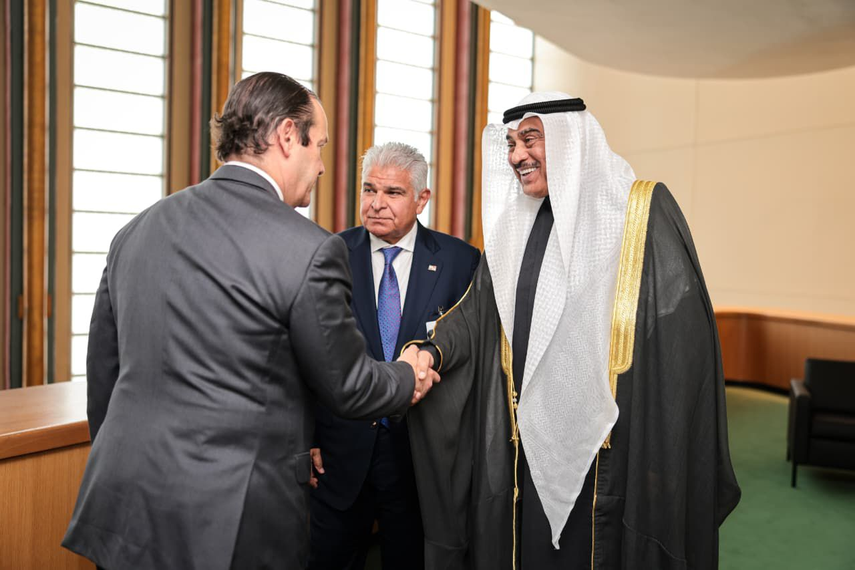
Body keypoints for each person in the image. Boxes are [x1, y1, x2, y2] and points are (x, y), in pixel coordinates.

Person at [61, 72, 437, 570]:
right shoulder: (308, 249)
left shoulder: (137, 229)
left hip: (124, 505)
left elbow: (104, 379)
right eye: (319, 146)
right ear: (288, 136)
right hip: (229, 520)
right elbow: (348, 384)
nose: (322, 166)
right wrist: (408, 373)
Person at [406, 92, 742, 569]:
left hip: (607, 448)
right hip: (526, 439)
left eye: (531, 139)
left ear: (571, 141)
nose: (516, 155)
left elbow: (680, 333)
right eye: (511, 143)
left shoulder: (638, 211)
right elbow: (478, 314)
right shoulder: (516, 227)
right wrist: (430, 352)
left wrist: (661, 443)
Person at [309, 142, 481, 570]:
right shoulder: (329, 254)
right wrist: (306, 437)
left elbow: (472, 357)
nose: (376, 203)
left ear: (422, 199)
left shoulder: (460, 262)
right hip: (339, 454)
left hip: (420, 457)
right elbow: (307, 354)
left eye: (393, 192)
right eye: (369, 190)